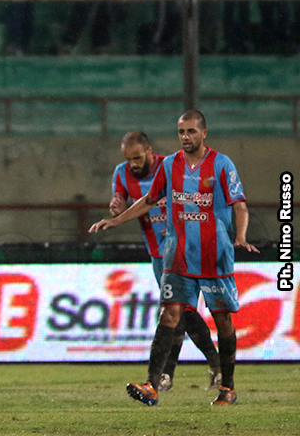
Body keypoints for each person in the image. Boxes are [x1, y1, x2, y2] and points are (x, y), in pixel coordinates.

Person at [90, 110, 259, 406]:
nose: (186, 137)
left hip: (214, 255)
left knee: (222, 321)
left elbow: (240, 205)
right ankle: (152, 385)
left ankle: (228, 387)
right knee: (169, 314)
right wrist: (116, 220)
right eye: (181, 131)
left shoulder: (222, 164)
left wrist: (241, 236)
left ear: (203, 133)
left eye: (191, 131)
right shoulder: (169, 165)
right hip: (177, 255)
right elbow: (149, 200)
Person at [110, 131, 221, 392]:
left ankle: (169, 375)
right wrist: (116, 207)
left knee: (178, 309)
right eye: (129, 159)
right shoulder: (121, 173)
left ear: (149, 150)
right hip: (157, 254)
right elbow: (120, 202)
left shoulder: (170, 166)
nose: (133, 164)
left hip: (184, 248)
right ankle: (210, 367)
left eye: (137, 158)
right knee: (180, 312)